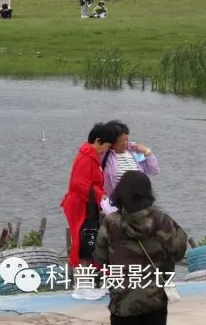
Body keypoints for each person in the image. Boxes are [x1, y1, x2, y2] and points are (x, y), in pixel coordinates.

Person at [93, 172, 187, 325]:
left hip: (122, 301)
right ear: (147, 194)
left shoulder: (110, 223)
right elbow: (179, 252)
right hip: (155, 300)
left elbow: (100, 258)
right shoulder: (162, 220)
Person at [61, 122, 120, 288]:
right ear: (98, 141)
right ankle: (83, 285)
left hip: (88, 204)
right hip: (80, 205)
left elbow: (91, 184)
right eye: (106, 146)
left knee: (89, 240)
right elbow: (79, 185)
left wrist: (101, 196)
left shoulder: (91, 155)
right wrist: (101, 196)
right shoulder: (87, 157)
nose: (106, 150)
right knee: (83, 242)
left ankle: (88, 283)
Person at [102, 121, 159, 198]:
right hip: (116, 200)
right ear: (111, 142)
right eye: (121, 141)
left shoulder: (134, 153)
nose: (125, 143)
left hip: (138, 199)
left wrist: (147, 151)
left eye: (126, 139)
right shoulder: (105, 155)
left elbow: (154, 170)